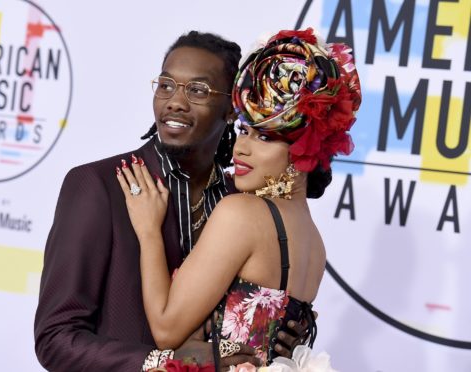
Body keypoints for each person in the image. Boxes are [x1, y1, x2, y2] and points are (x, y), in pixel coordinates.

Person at [34, 31, 307, 372]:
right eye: (166, 85)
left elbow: (230, 329)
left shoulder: (239, 204)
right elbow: (55, 338)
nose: (175, 101)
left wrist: (274, 335)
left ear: (230, 110)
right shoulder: (99, 186)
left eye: (198, 90)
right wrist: (165, 363)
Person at [116, 28, 362, 369]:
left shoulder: (242, 214)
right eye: (244, 130)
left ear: (301, 149)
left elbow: (166, 328)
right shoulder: (314, 242)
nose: (241, 147)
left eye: (263, 137)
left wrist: (148, 231)